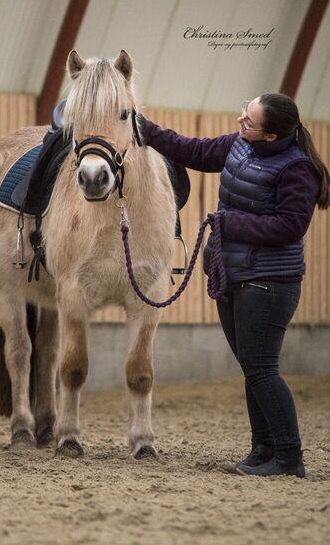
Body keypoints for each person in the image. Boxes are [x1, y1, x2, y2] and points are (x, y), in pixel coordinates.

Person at [138, 93, 330, 478]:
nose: (240, 119)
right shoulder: (240, 145)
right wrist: (143, 127)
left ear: (271, 135)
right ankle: (263, 450)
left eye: (249, 119)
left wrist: (229, 222)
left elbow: (290, 227)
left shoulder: (298, 170)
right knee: (251, 368)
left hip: (270, 283)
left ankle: (289, 457)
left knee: (262, 369)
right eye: (245, 110)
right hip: (234, 275)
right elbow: (192, 150)